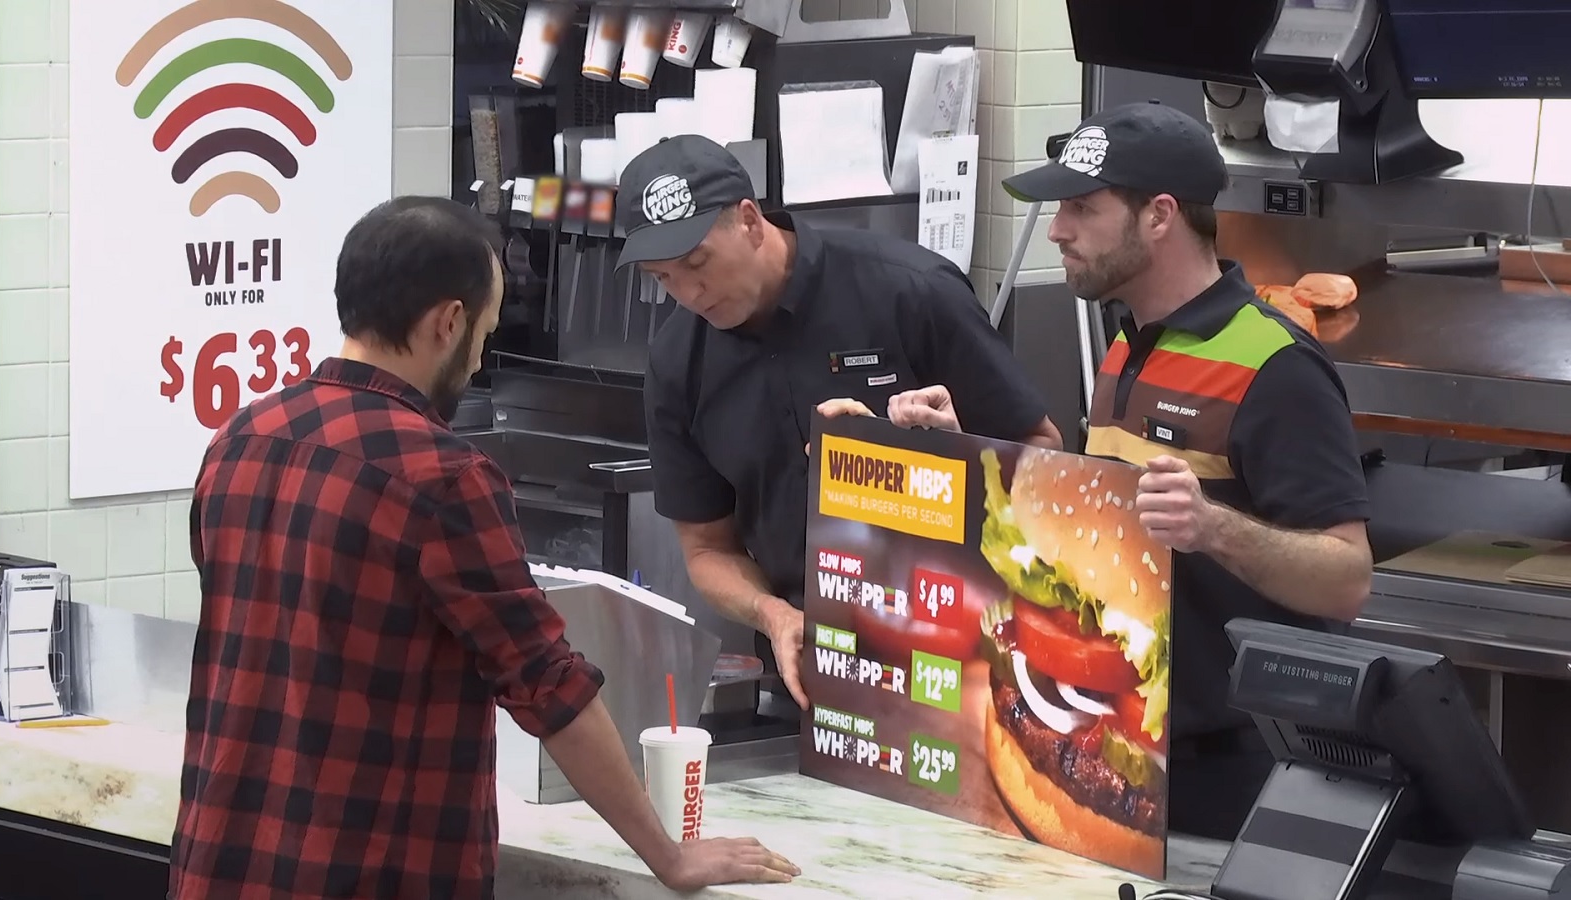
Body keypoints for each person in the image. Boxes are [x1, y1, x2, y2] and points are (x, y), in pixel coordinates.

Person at [170, 196, 799, 898]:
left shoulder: (240, 440)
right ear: (449, 322)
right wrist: (670, 856)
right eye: (484, 333)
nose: (477, 360)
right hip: (363, 876)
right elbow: (550, 690)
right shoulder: (442, 476)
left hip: (219, 867)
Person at [896, 102, 1374, 841]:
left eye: (1082, 208)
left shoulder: (1276, 366)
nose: (1057, 230)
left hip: (1237, 777)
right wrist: (963, 451)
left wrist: (1212, 527)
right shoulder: (1126, 349)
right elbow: (1098, 533)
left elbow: (1347, 579)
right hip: (1128, 751)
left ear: (1159, 216)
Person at [618, 135, 1064, 709]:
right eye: (662, 278)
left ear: (750, 221)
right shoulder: (678, 360)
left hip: (963, 663)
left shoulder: (909, 290)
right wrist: (773, 614)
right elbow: (706, 549)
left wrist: (943, 451)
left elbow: (1045, 456)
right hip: (812, 675)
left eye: (697, 263)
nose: (689, 292)